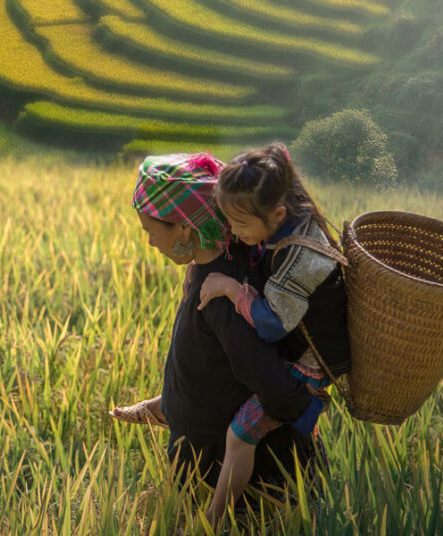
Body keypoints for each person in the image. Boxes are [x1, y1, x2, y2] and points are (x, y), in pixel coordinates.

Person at [118, 151, 326, 525]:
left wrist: (303, 409)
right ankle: (167, 404)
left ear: (184, 228)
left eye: (151, 232)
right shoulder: (219, 264)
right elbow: (210, 366)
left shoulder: (222, 296)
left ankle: (212, 520)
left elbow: (262, 374)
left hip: (223, 474)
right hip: (201, 438)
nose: (150, 243)